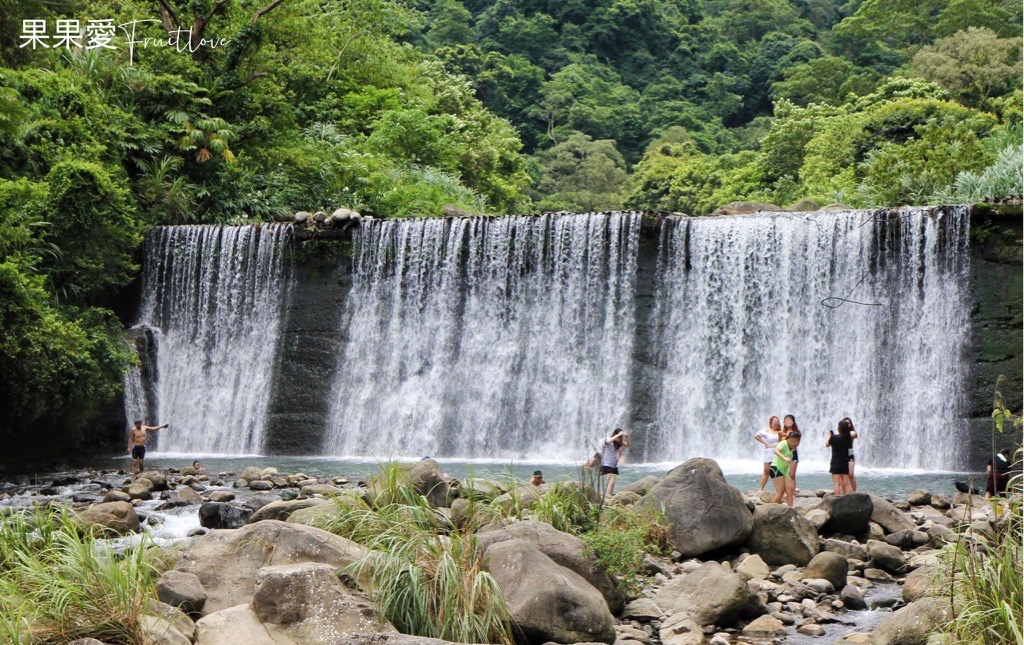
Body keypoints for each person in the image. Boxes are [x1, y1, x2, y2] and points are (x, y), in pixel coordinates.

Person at [771, 430, 801, 506]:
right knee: (780, 492)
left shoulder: (793, 448)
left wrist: (792, 475)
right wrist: (784, 457)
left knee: (790, 491)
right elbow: (775, 450)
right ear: (791, 439)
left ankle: (791, 509)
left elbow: (795, 460)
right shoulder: (783, 443)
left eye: (799, 441)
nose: (798, 443)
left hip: (785, 470)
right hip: (776, 468)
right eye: (797, 441)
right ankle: (770, 508)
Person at [754, 416, 781, 492]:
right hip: (769, 452)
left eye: (778, 422)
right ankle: (761, 489)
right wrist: (765, 443)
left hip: (777, 452)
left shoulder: (780, 432)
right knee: (766, 471)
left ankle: (780, 489)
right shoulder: (766, 431)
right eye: (775, 422)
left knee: (777, 471)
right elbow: (756, 436)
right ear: (771, 423)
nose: (777, 423)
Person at [600, 428, 630, 497]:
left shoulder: (619, 444)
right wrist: (618, 435)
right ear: (614, 434)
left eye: (620, 438)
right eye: (619, 437)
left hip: (614, 466)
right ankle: (608, 497)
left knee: (613, 482)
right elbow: (607, 441)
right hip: (606, 464)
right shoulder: (609, 439)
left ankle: (609, 495)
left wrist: (626, 437)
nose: (620, 439)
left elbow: (627, 445)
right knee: (612, 481)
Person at [827, 419, 853, 495]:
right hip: (845, 463)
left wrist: (829, 436)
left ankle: (837, 500)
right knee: (846, 483)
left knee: (836, 484)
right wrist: (851, 460)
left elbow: (827, 444)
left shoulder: (834, 437)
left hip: (835, 462)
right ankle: (848, 500)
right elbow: (851, 451)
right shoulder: (849, 439)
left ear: (839, 428)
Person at [781, 414, 801, 492]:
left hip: (793, 454)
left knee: (791, 475)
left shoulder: (796, 433)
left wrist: (787, 437)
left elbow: (796, 444)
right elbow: (779, 443)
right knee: (783, 474)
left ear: (793, 422)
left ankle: (792, 491)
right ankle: (785, 490)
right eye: (786, 420)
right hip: (783, 454)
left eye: (789, 420)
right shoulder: (782, 431)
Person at [843, 417, 858, 491]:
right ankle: (845, 492)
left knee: (851, 475)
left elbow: (854, 435)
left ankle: (854, 492)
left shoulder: (852, 432)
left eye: (848, 423)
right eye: (845, 423)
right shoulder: (839, 433)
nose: (847, 424)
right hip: (841, 455)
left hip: (850, 455)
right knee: (842, 475)